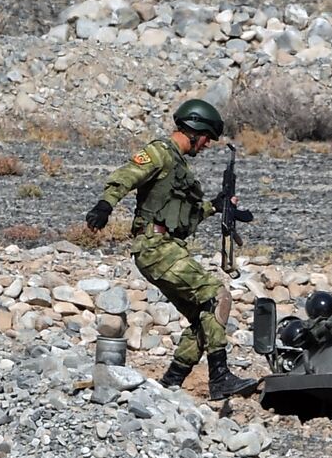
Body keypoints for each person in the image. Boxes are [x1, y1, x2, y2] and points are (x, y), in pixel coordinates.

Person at [85, 98, 259, 399]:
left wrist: (215, 207)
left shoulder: (180, 166)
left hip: (168, 245)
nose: (206, 145)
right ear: (194, 129)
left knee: (204, 317)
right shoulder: (159, 153)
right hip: (156, 246)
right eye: (206, 139)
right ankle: (219, 376)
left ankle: (171, 383)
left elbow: (184, 215)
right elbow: (126, 176)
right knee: (218, 296)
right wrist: (104, 205)